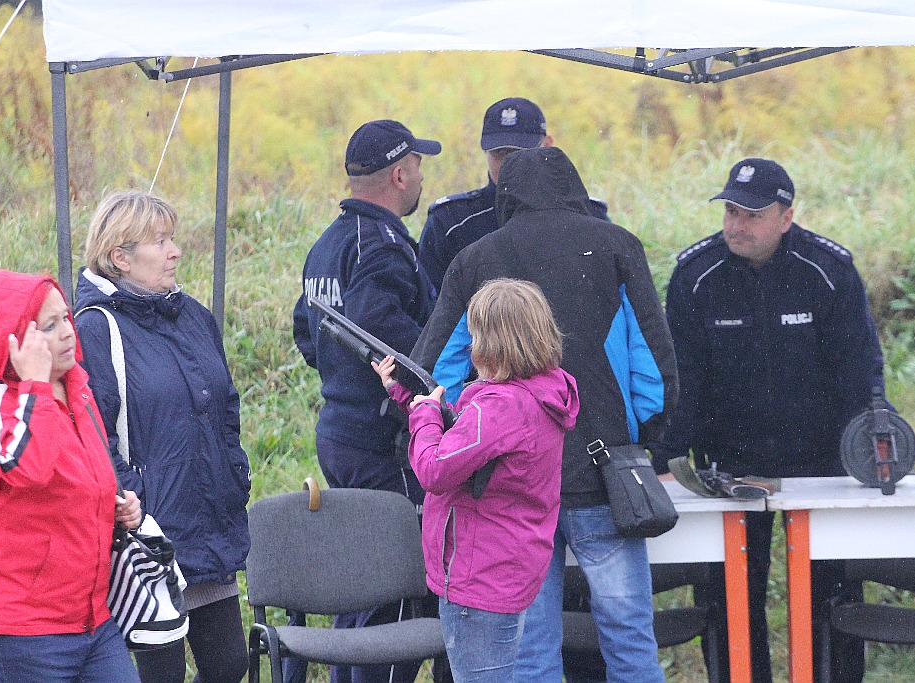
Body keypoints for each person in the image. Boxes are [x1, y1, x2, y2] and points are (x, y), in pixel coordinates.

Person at [413, 146, 679, 683]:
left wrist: (470, 434)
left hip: (511, 487)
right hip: (605, 473)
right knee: (630, 638)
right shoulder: (617, 247)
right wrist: (643, 439)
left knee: (532, 651)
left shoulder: (477, 258)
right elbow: (655, 371)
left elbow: (436, 371)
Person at [655, 158, 880, 683]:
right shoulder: (695, 275)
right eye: (731, 211)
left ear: (786, 217)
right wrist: (668, 456)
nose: (737, 225)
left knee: (832, 594)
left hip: (822, 459)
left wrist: (868, 444)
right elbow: (680, 378)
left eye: (752, 215)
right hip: (728, 462)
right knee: (729, 598)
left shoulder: (829, 270)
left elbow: (860, 368)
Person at [73, 191, 251, 683]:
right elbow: (94, 435)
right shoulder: (95, 329)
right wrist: (138, 505)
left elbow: (226, 404)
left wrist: (235, 471)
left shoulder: (193, 315)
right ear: (120, 258)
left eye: (172, 238)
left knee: (229, 665)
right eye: (160, 242)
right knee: (161, 674)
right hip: (148, 536)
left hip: (209, 521)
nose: (175, 251)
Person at [290, 119, 441, 683]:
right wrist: (434, 383)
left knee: (361, 586)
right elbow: (383, 331)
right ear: (399, 174)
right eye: (418, 166)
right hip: (384, 442)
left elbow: (307, 332)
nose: (421, 177)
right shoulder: (382, 245)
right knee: (400, 594)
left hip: (340, 430)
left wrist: (344, 381)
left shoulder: (327, 244)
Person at [372, 278, 580, 682]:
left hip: (478, 578)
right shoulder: (541, 391)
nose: (471, 346)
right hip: (506, 567)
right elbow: (463, 438)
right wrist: (408, 396)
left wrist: (424, 415)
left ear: (491, 343)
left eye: (475, 336)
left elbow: (434, 469)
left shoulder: (499, 407)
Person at [0, 269, 143, 683]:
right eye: (49, 326)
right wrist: (34, 385)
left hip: (92, 619)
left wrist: (116, 507)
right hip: (20, 628)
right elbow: (28, 468)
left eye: (66, 317)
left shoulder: (77, 388)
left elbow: (84, 478)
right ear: (15, 342)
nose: (68, 331)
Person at [419, 97, 608, 294]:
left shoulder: (589, 217)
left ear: (548, 146)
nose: (509, 164)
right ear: (485, 152)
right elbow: (428, 303)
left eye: (519, 153)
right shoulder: (450, 222)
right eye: (499, 153)